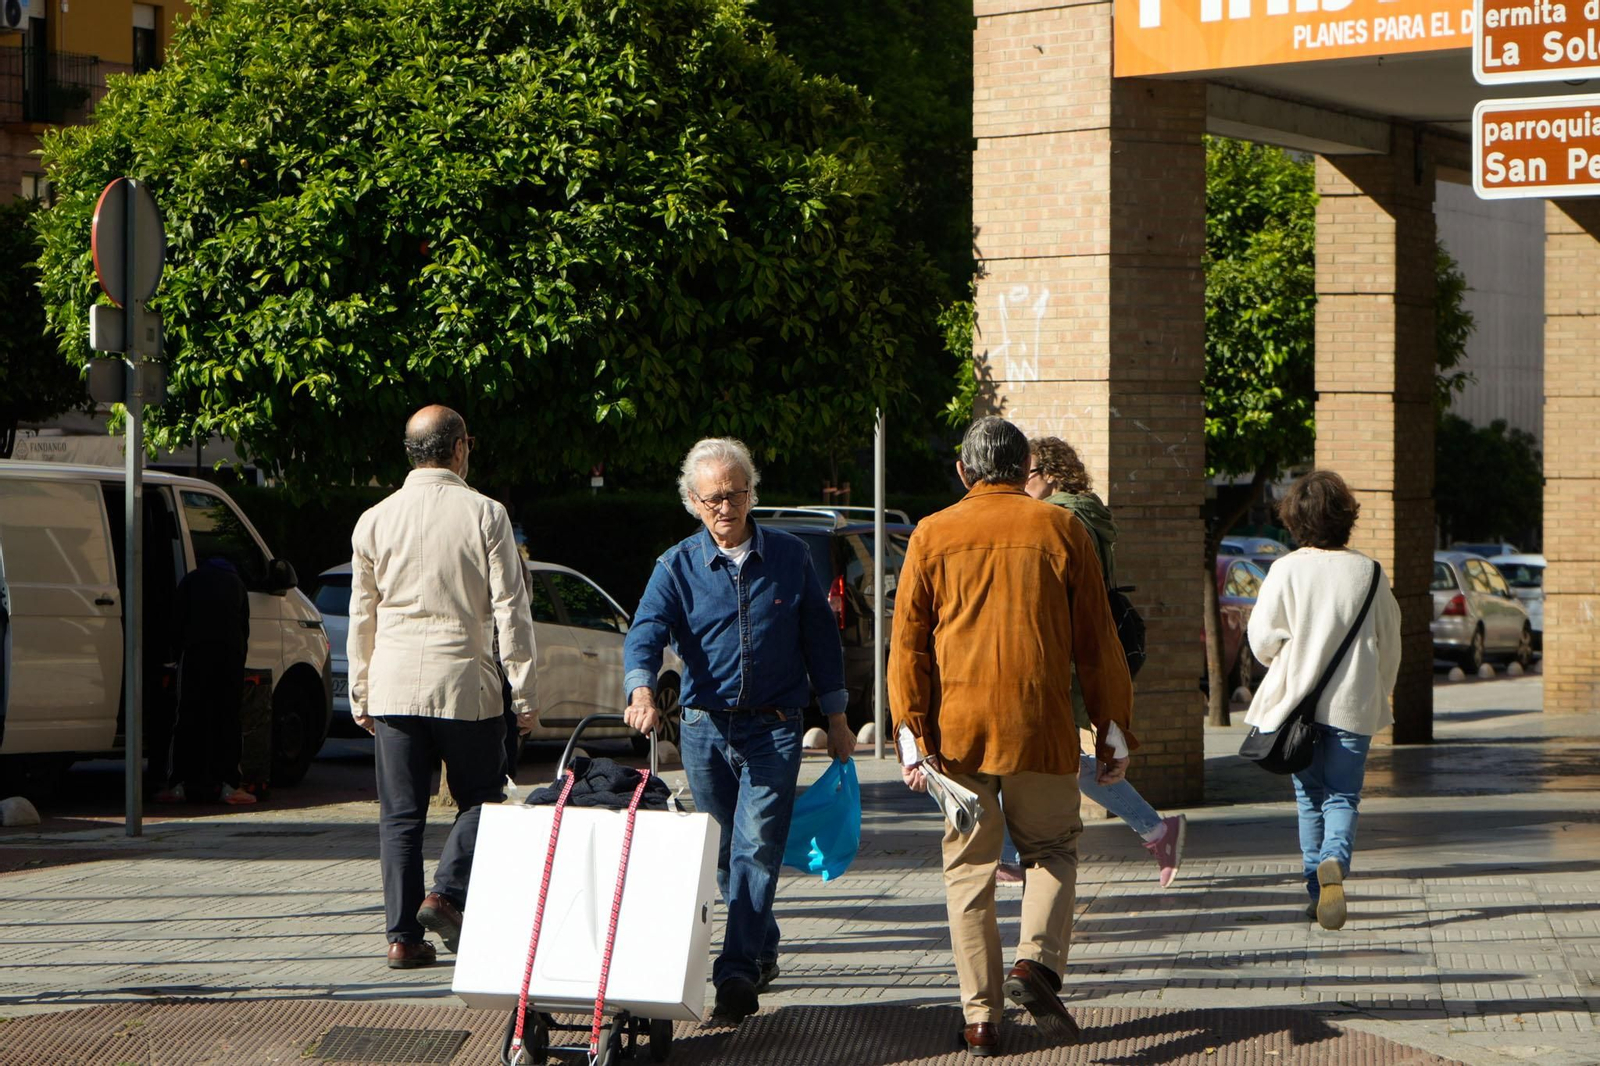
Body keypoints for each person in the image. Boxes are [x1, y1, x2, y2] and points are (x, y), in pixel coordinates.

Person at [890, 416, 1136, 1058]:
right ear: (1024, 467)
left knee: (968, 870)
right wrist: (1112, 728)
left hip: (958, 732)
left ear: (963, 472)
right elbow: (1098, 642)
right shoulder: (1061, 529)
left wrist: (912, 735)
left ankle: (981, 1019)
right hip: (1039, 724)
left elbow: (908, 648)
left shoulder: (931, 534)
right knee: (1051, 848)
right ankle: (1036, 962)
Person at [623, 437, 855, 1025]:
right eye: (713, 498)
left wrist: (836, 717)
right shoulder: (676, 565)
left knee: (757, 847)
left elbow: (820, 640)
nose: (726, 506)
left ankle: (734, 972)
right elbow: (646, 630)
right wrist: (642, 689)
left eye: (736, 493)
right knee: (726, 854)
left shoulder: (790, 557)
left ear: (751, 493)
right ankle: (761, 945)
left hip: (776, 728)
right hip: (705, 729)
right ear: (693, 502)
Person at [347, 405, 539, 970]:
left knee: (400, 817)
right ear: (459, 449)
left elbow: (362, 615)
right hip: (465, 683)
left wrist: (360, 690)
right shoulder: (487, 514)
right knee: (483, 799)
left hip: (393, 685)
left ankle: (402, 939)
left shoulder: (373, 519)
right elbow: (511, 609)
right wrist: (524, 693)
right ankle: (446, 893)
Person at [993, 436, 1184, 888]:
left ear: (1050, 475)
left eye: (1028, 474)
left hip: (1062, 656)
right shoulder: (1086, 514)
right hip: (1075, 654)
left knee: (1026, 752)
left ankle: (1010, 856)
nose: (1022, 484)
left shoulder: (1063, 519)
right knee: (1053, 755)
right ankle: (1155, 829)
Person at [1244, 470, 1400, 931]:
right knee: (1343, 795)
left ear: (1294, 518)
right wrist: (1379, 689)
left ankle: (1317, 891)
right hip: (1354, 704)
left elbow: (1262, 640)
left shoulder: (1285, 570)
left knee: (1309, 797)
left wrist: (1289, 659)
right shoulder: (1370, 572)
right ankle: (1335, 859)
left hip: (1298, 709)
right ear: (1346, 517)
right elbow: (1390, 642)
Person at [155, 556, 253, 806]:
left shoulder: (191, 581)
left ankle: (177, 784)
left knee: (186, 716)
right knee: (229, 718)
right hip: (230, 656)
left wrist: (176, 653)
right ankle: (230, 786)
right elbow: (244, 628)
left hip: (195, 654)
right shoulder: (237, 584)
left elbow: (176, 622)